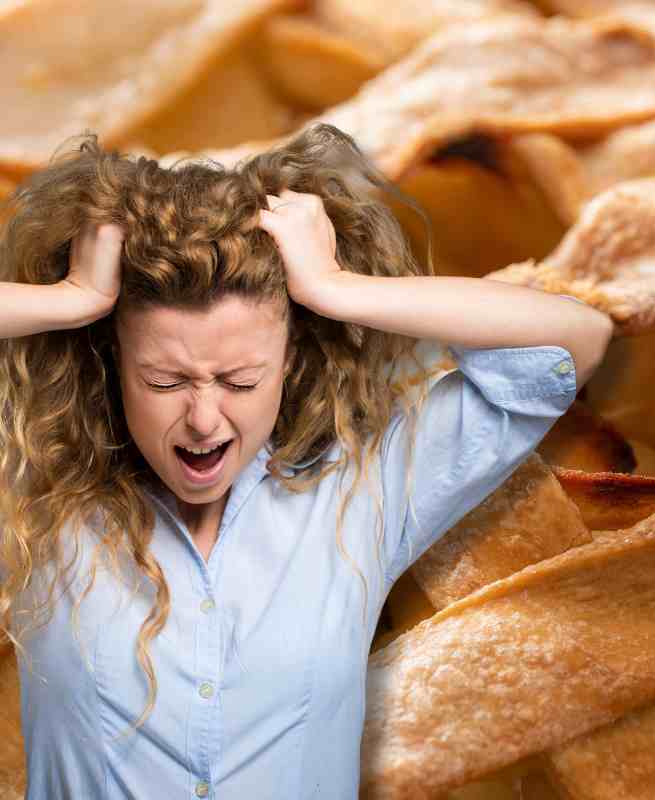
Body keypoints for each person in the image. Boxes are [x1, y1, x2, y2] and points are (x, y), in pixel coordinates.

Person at [0, 123, 614, 798]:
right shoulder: (36, 500)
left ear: (289, 361)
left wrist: (334, 288)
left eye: (240, 381)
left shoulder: (358, 493)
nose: (204, 419)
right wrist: (73, 300)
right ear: (115, 361)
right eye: (165, 381)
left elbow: (576, 340)